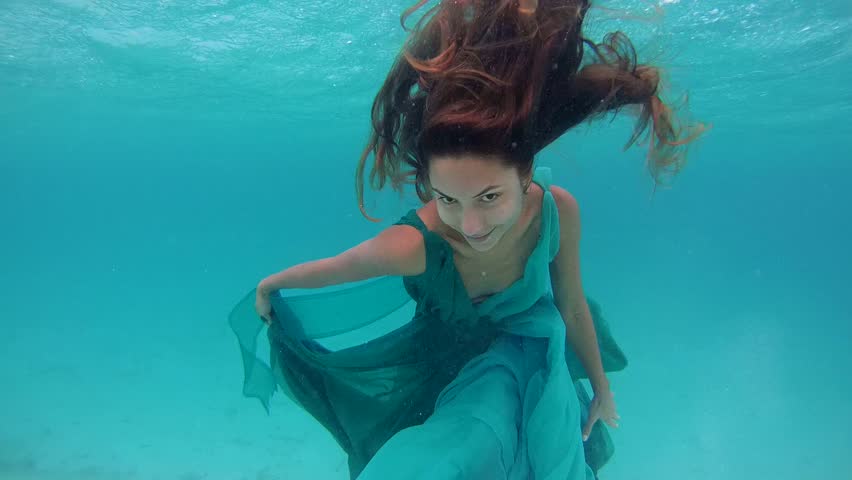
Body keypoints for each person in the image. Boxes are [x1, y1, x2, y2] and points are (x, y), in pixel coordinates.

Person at [233, 1, 704, 479]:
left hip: (534, 361)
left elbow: (573, 305)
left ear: (526, 177)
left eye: (489, 196)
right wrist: (270, 285)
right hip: (445, 369)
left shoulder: (557, 210)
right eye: (448, 200)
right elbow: (341, 265)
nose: (470, 223)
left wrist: (601, 387)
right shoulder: (417, 243)